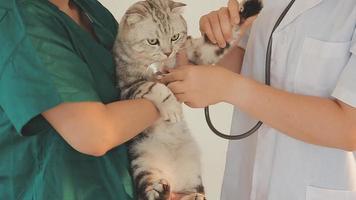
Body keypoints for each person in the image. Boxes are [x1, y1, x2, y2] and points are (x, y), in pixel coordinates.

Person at [162, 0, 356, 199]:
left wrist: (231, 88)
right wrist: (216, 42)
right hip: (246, 182)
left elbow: (349, 128)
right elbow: (248, 61)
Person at [0, 0, 163, 199]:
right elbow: (94, 134)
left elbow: (129, 98)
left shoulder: (88, 9)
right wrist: (168, 94)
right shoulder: (19, 19)